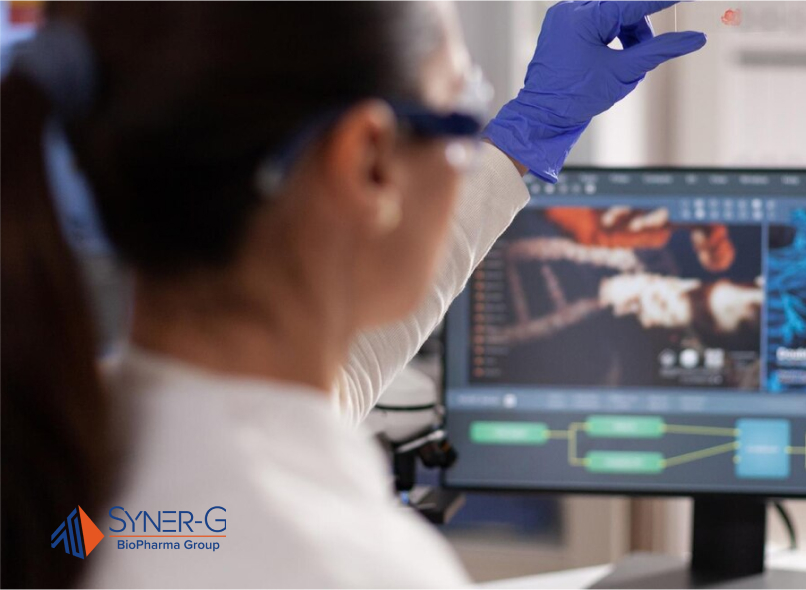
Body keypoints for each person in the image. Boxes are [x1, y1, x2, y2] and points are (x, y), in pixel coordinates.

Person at [0, 2, 705, 587]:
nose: (470, 129)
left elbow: (328, 376)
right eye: (463, 100)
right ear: (369, 161)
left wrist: (522, 139)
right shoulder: (351, 566)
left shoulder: (60, 452)